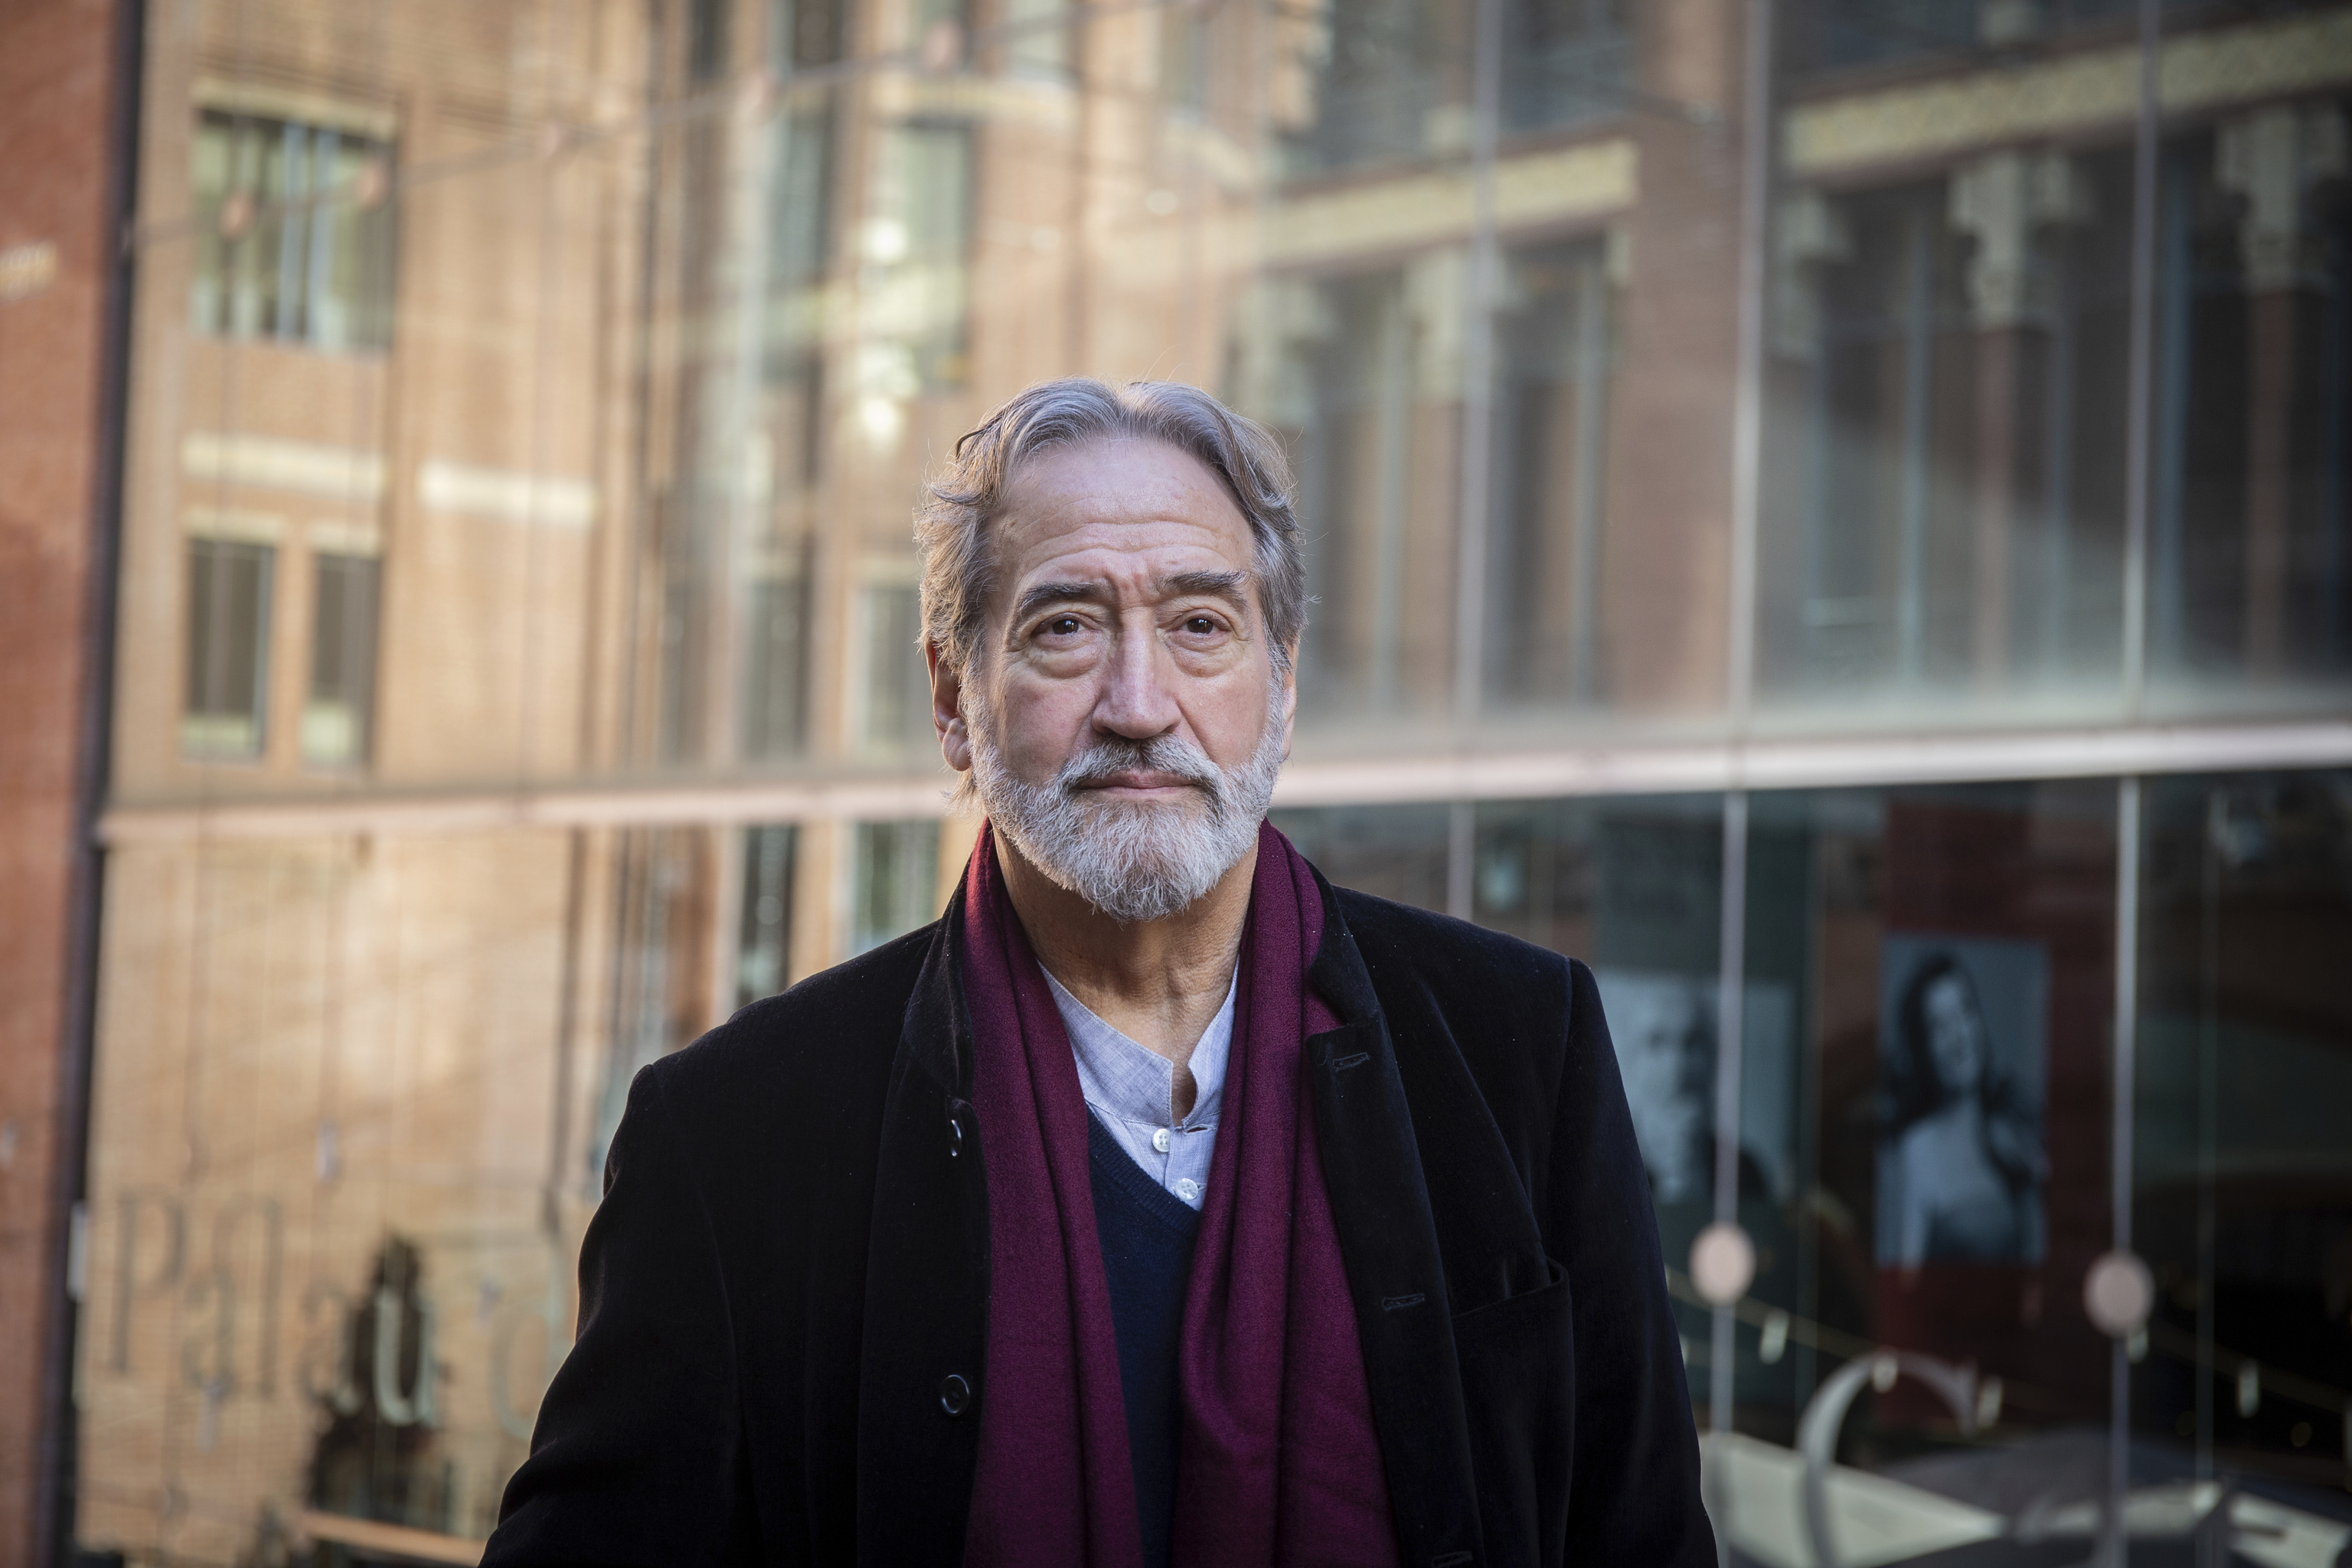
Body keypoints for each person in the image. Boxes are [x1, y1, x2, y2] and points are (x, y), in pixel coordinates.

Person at [482, 379, 1714, 1568]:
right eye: (1067, 626)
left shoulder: (1515, 1052)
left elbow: (1640, 1535)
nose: (1140, 705)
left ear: (1280, 686)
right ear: (955, 700)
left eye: (1200, 625)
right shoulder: (737, 1139)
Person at [1888, 953, 2045, 1267]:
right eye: (1939, 1026)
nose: (1959, 1036)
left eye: (1965, 1011)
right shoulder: (1918, 1148)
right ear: (1924, 1047)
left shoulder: (2012, 1129)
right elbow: (1906, 1280)